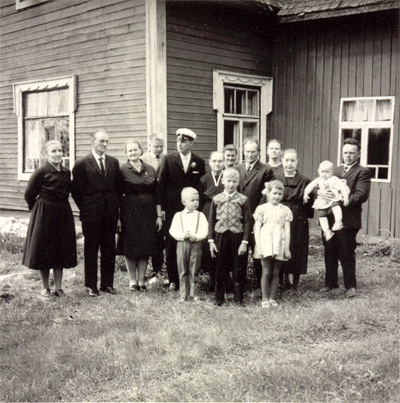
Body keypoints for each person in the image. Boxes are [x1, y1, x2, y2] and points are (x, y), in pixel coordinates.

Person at [22, 140, 77, 298]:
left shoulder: (66, 172)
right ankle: (45, 287)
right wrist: (38, 208)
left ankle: (58, 288)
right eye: (53, 151)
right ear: (46, 154)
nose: (58, 154)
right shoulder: (41, 171)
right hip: (45, 213)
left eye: (60, 150)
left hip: (63, 213)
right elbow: (29, 194)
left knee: (60, 249)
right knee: (44, 250)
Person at [72, 129, 122, 297]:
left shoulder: (113, 162)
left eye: (107, 141)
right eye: (102, 141)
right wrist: (86, 208)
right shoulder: (82, 163)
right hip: (91, 215)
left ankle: (107, 284)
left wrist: (115, 208)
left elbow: (118, 188)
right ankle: (91, 286)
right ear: (92, 141)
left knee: (109, 249)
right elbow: (76, 191)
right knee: (91, 250)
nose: (105, 144)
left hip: (110, 214)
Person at [319, 138, 371, 298]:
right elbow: (319, 184)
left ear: (358, 154)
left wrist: (337, 202)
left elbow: (360, 195)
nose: (348, 156)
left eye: (351, 153)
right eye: (345, 153)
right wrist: (319, 193)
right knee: (329, 251)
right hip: (329, 218)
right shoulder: (335, 170)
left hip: (348, 220)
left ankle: (350, 286)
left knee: (346, 252)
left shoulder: (362, 171)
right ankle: (331, 283)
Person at [158, 128, 206, 291]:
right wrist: (162, 209)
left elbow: (200, 186)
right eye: (178, 140)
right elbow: (161, 186)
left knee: (191, 243)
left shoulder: (198, 161)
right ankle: (173, 279)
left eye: (184, 141)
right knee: (173, 242)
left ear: (191, 143)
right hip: (172, 209)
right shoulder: (168, 159)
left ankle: (191, 278)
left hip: (191, 210)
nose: (180, 144)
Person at [119, 140, 162, 292]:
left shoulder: (150, 169)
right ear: (126, 154)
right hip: (129, 212)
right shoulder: (122, 169)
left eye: (135, 150)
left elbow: (157, 194)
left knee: (145, 246)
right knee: (130, 247)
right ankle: (132, 281)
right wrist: (118, 217)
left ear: (141, 150)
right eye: (129, 151)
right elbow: (117, 195)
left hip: (148, 213)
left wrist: (158, 216)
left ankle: (141, 281)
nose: (133, 153)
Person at [208, 168, 251, 306]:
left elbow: (247, 221)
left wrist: (244, 241)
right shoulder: (216, 199)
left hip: (237, 237)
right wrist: (211, 240)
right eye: (228, 181)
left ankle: (238, 299)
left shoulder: (243, 199)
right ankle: (219, 298)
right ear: (222, 181)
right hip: (220, 237)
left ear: (238, 182)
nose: (231, 184)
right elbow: (211, 220)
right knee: (220, 268)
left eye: (234, 181)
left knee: (238, 268)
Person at [274, 148, 314, 289]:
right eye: (286, 160)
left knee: (297, 247)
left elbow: (309, 204)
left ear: (297, 161)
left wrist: (303, 215)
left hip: (298, 218)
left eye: (292, 160)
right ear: (282, 161)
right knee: (280, 245)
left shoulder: (304, 180)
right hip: (279, 216)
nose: (289, 164)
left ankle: (294, 280)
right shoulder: (276, 177)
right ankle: (279, 278)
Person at [236, 139, 273, 284]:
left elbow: (266, 194)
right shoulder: (237, 168)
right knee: (240, 250)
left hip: (257, 216)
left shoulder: (266, 170)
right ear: (243, 151)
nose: (250, 154)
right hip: (239, 216)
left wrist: (258, 212)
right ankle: (240, 282)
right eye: (247, 151)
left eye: (253, 151)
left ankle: (260, 283)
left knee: (258, 248)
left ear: (259, 152)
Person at [254, 180, 292, 308]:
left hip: (279, 241)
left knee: (276, 272)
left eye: (280, 194)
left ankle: (272, 298)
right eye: (274, 193)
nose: (277, 196)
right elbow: (257, 228)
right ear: (268, 193)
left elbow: (287, 230)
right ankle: (264, 298)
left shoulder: (285, 210)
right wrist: (258, 246)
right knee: (266, 271)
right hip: (265, 242)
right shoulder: (262, 208)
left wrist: (286, 248)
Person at [169, 187, 208, 302]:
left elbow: (205, 230)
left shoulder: (201, 215)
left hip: (195, 245)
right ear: (183, 202)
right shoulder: (178, 215)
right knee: (182, 270)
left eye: (197, 200)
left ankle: (194, 294)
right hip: (182, 244)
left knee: (194, 269)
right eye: (192, 200)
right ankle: (183, 294)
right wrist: (182, 235)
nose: (195, 202)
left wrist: (196, 236)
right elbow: (172, 230)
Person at [304, 160, 350, 241]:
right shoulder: (318, 180)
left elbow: (343, 188)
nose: (324, 174)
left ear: (332, 172)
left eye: (327, 172)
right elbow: (310, 186)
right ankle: (327, 231)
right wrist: (306, 194)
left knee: (336, 206)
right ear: (318, 171)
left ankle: (338, 221)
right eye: (322, 171)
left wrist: (346, 197)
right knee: (321, 214)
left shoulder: (334, 179)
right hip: (323, 201)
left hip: (333, 199)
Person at [141, 132, 165, 280]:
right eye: (156, 146)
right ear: (149, 146)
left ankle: (158, 268)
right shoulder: (143, 159)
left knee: (159, 237)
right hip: (147, 202)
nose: (159, 149)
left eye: (161, 146)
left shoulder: (166, 158)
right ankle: (145, 269)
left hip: (161, 200)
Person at [200, 151, 225, 290]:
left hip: (223, 212)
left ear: (224, 163)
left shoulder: (227, 178)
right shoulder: (204, 178)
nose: (217, 164)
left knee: (222, 242)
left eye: (220, 161)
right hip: (208, 210)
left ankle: (222, 279)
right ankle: (211, 279)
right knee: (208, 243)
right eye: (214, 161)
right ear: (210, 162)